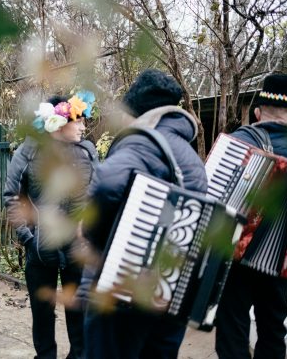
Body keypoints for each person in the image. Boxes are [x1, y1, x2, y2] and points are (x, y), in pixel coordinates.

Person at [82, 69, 207, 358]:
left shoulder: (141, 142)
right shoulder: (191, 156)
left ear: (135, 112)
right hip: (169, 292)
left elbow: (107, 184)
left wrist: (93, 235)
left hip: (123, 290)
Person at [3, 91, 98, 359]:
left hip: (78, 250)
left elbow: (97, 193)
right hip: (40, 249)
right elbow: (12, 197)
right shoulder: (30, 150)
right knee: (42, 313)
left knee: (79, 312)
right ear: (59, 122)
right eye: (78, 121)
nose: (83, 127)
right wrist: (28, 238)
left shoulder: (87, 151)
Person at [215, 73, 287, 359]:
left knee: (231, 328)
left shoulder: (236, 143)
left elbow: (212, 199)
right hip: (280, 260)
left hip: (233, 256)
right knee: (273, 330)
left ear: (258, 113)